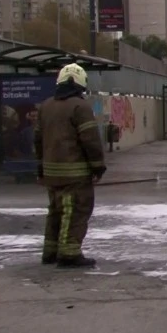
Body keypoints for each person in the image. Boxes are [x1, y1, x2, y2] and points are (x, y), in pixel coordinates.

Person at [34, 63, 106, 268]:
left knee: (55, 211)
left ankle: (50, 251)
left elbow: (37, 140)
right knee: (75, 210)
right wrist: (98, 166)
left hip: (51, 173)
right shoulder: (79, 107)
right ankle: (69, 253)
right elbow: (90, 140)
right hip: (75, 173)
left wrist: (41, 167)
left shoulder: (46, 106)